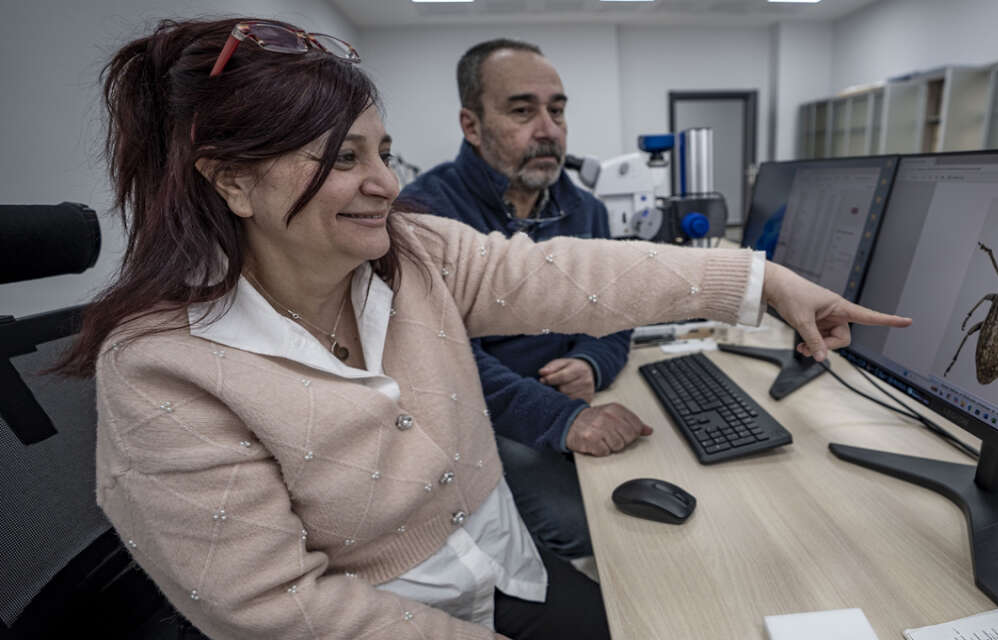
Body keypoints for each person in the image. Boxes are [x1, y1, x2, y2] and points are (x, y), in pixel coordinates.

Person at [61, 17, 911, 640]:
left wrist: (762, 282)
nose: (386, 184)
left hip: (506, 573)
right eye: (345, 158)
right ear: (232, 182)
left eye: (382, 152)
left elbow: (576, 276)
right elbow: (280, 611)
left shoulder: (411, 255)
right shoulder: (162, 371)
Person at [398, 38, 634, 562]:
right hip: (483, 418)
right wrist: (560, 418)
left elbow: (615, 316)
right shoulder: (423, 214)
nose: (549, 130)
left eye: (557, 110)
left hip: (570, 400)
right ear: (472, 125)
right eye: (523, 111)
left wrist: (591, 362)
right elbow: (441, 360)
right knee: (585, 525)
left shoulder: (586, 210)